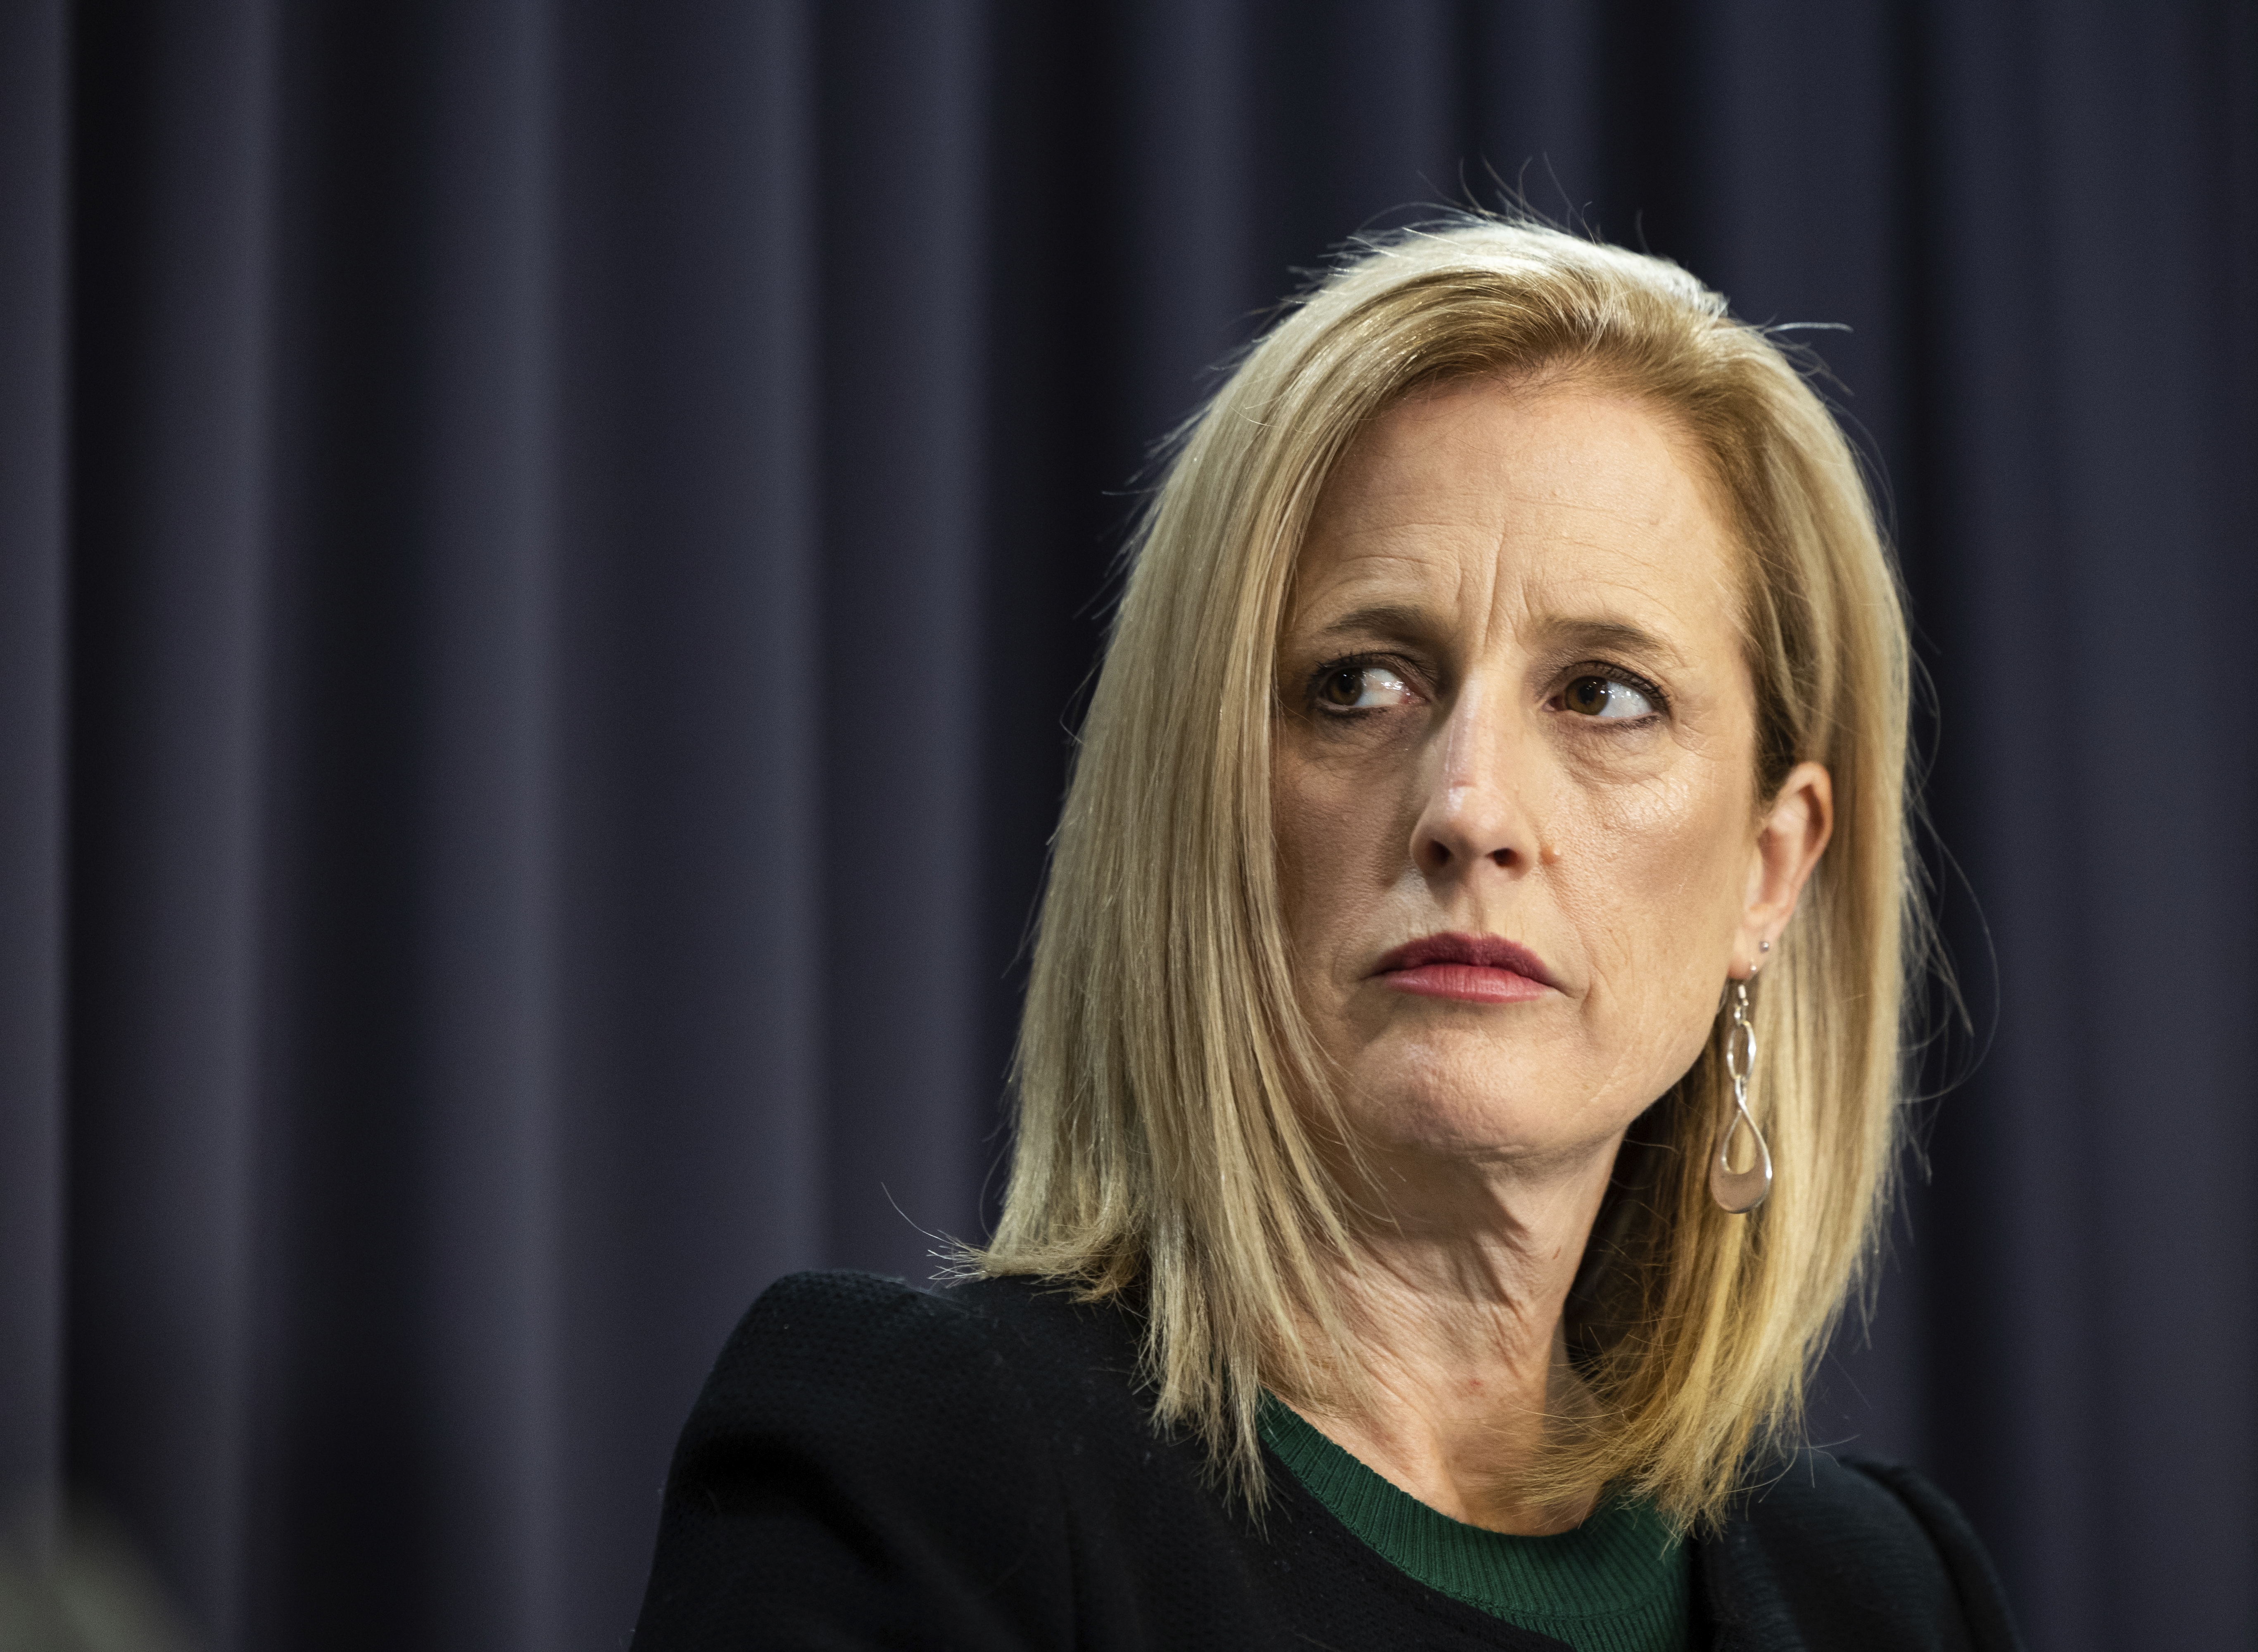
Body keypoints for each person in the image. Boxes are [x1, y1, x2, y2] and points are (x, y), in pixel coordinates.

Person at [630, 217, 2021, 1651]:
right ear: (1208, 803)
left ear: (1769, 872)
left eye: (1604, 695)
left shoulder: (1894, 1594)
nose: (1470, 806)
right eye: (1361, 682)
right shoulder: (920, 1466)